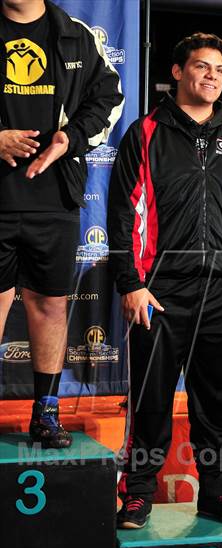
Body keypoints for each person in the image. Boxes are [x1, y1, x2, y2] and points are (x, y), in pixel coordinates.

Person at [108, 32, 222, 529]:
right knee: (151, 401)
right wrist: (130, 283)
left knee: (218, 404)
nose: (211, 77)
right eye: (201, 67)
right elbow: (122, 217)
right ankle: (137, 493)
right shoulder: (146, 133)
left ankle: (216, 493)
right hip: (159, 293)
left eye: (219, 71)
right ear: (178, 72)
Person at [0, 0, 124, 448]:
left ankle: (45, 415)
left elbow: (109, 98)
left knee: (50, 306)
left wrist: (70, 139)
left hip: (55, 200)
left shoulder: (75, 34)